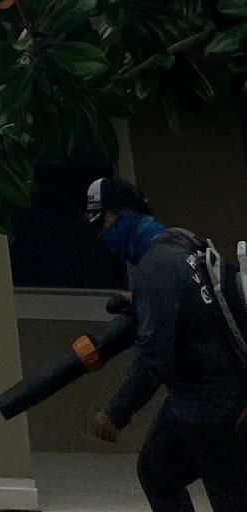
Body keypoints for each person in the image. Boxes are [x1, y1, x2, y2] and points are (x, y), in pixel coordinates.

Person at [86, 176, 247, 512]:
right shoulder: (179, 241)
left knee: (227, 498)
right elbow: (193, 297)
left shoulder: (154, 267)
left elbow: (153, 358)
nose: (102, 233)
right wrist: (143, 300)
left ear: (122, 214)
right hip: (214, 395)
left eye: (105, 221)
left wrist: (115, 413)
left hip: (210, 409)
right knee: (158, 473)